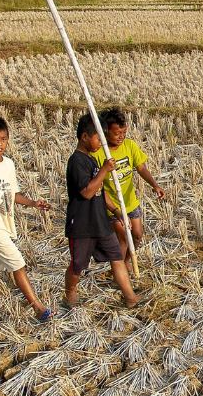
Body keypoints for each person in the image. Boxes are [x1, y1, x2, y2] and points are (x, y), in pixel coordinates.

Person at [0, 116, 53, 321]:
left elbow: (13, 194)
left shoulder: (9, 165)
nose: (0, 144)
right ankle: (38, 307)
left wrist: (33, 203)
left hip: (5, 223)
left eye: (3, 139)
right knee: (18, 263)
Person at [65, 113, 140, 308]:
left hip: (101, 222)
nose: (101, 142)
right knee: (78, 264)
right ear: (84, 137)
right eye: (99, 137)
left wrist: (116, 212)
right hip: (82, 224)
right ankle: (70, 294)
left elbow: (101, 192)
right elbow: (88, 192)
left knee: (116, 257)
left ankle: (130, 297)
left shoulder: (93, 160)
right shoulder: (77, 162)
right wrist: (105, 170)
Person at [94, 108, 166, 268]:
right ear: (105, 132)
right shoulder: (98, 154)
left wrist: (155, 185)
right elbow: (98, 187)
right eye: (117, 133)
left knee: (137, 235)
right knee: (124, 238)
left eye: (124, 132)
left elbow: (141, 168)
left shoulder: (129, 146)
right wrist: (115, 210)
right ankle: (121, 273)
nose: (121, 136)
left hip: (130, 202)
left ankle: (125, 261)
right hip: (111, 206)